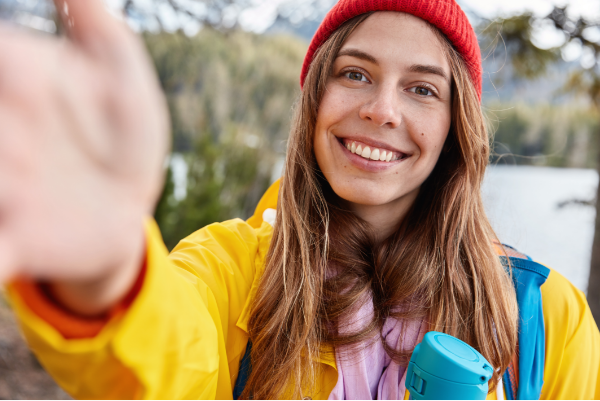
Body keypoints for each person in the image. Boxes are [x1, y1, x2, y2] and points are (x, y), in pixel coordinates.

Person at [1, 0, 598, 400]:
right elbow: (164, 360)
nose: (382, 110)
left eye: (421, 89)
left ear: (454, 130)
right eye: (355, 74)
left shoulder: (543, 316)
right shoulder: (232, 268)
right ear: (314, 100)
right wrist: (107, 265)